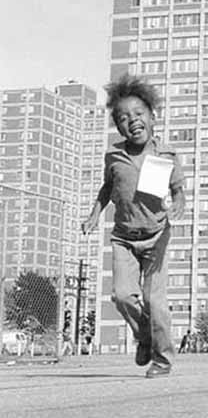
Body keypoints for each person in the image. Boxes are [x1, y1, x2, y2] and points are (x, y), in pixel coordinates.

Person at [81, 74, 185, 378]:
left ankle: (162, 360)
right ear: (118, 126)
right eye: (124, 118)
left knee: (155, 300)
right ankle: (144, 336)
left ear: (152, 117)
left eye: (139, 114)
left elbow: (179, 191)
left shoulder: (167, 155)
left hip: (157, 236)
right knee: (122, 295)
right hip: (124, 238)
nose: (132, 121)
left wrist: (179, 203)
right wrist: (94, 215)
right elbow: (107, 188)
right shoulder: (113, 156)